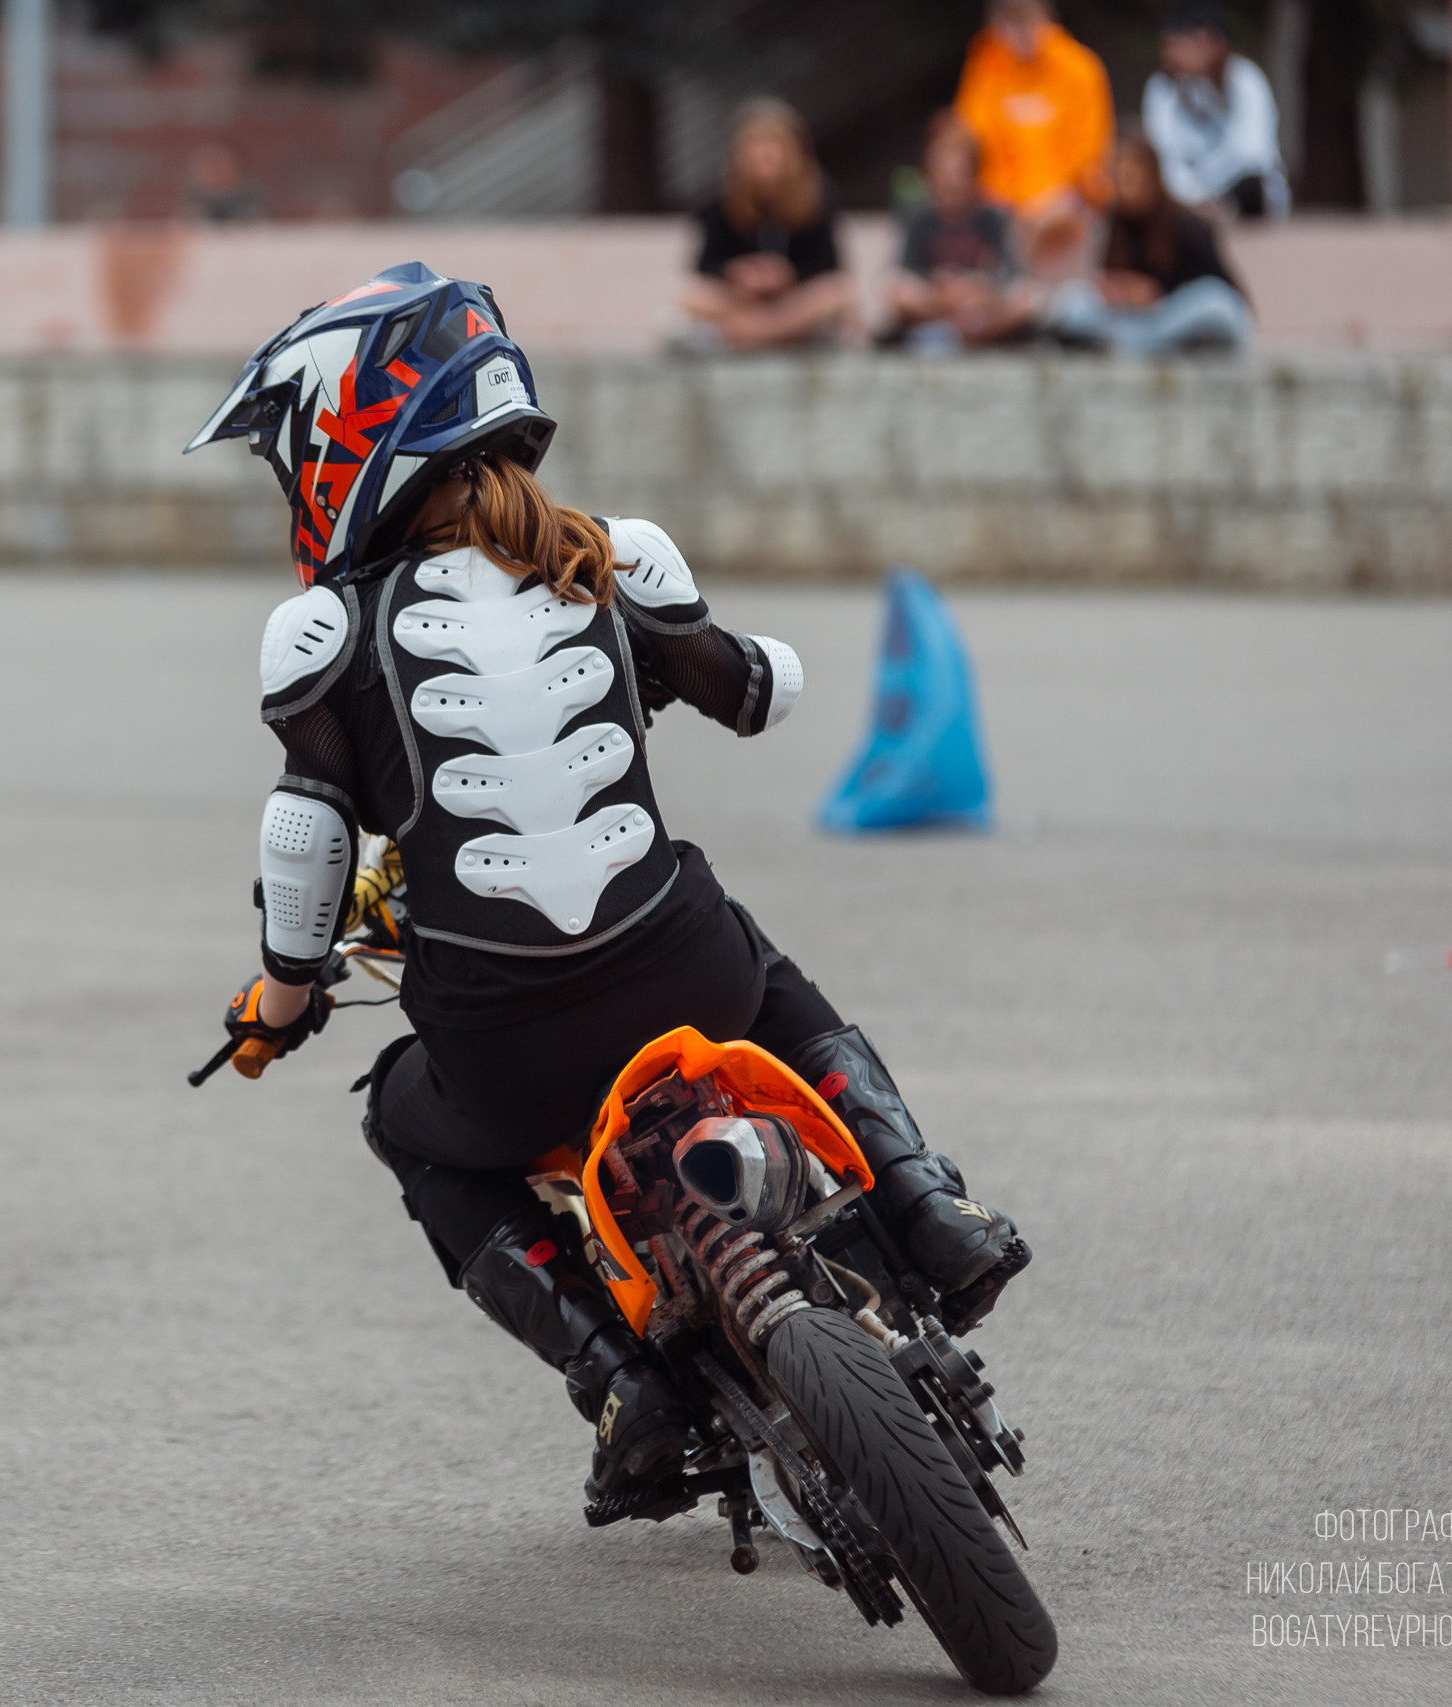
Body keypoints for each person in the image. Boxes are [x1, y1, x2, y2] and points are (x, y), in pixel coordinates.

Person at [186, 262, 1029, 1511]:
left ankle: (620, 1383)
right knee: (781, 993)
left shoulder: (325, 633)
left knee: (406, 1125)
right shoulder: (611, 559)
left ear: (345, 439)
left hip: (503, 1045)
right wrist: (695, 660)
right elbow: (759, 690)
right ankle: (926, 1207)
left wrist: (282, 995)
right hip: (683, 969)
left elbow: (307, 833)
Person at [1046, 134, 1251, 355]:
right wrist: (1119, 291)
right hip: (1131, 323)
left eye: (1132, 180)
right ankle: (1141, 346)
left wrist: (1158, 291)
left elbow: (1221, 289)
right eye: (1120, 180)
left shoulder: (1185, 222)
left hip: (1173, 317)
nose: (1125, 189)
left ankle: (1136, 347)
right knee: (1071, 300)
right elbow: (1107, 279)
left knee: (1217, 305)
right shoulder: (1114, 223)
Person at [680, 99, 857, 351]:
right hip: (743, 302)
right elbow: (705, 267)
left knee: (834, 295)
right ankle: (774, 334)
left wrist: (788, 276)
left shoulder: (818, 200)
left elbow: (830, 268)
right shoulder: (721, 204)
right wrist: (738, 275)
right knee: (692, 297)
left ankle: (755, 334)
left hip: (792, 303)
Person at [953, 0, 1114, 274]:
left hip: (1066, 202)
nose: (1020, 33)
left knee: (1061, 220)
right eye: (1010, 22)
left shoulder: (1079, 67)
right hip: (1002, 204)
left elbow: (1091, 150)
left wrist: (1055, 198)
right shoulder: (987, 66)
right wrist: (1002, 198)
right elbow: (972, 138)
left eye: (1027, 19)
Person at [886, 111, 1042, 351]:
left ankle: (961, 335)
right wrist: (942, 288)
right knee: (901, 295)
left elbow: (1013, 276)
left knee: (1030, 299)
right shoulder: (919, 218)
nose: (951, 179)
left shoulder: (995, 217)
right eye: (942, 169)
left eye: (959, 169)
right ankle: (968, 334)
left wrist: (980, 288)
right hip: (940, 305)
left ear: (973, 172)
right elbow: (906, 276)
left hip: (983, 307)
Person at [1141, 0, 1287, 220]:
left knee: (1251, 187)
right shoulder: (1162, 86)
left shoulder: (1245, 79)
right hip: (1186, 202)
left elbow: (1252, 154)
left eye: (1182, 42)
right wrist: (1194, 197)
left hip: (1240, 198)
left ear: (1214, 42)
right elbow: (1163, 155)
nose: (1171, 51)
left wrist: (1210, 196)